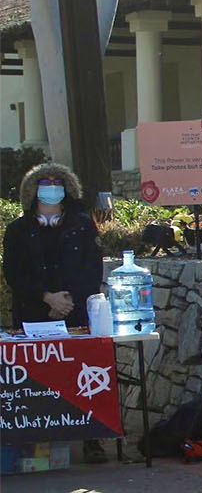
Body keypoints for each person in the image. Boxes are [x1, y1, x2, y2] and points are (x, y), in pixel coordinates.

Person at [3, 162, 108, 463]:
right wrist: (46, 298)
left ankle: (92, 439)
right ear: (34, 191)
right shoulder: (18, 230)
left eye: (58, 184)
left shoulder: (82, 225)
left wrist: (67, 300)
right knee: (39, 380)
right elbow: (14, 273)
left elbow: (92, 269)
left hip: (75, 313)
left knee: (84, 374)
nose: (52, 189)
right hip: (33, 314)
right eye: (45, 184)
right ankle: (37, 441)